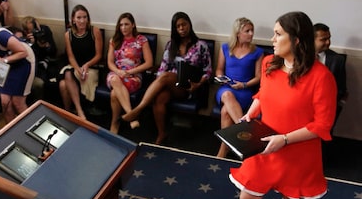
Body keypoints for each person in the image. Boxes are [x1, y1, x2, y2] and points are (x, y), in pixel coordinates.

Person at [207, 11, 337, 199]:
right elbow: (262, 95)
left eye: (278, 34)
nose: (272, 38)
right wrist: (250, 114)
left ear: (298, 40)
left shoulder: (321, 77)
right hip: (264, 142)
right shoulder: (269, 63)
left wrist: (286, 139)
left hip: (297, 149)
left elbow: (322, 125)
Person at [122, 12, 212, 144]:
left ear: (189, 25)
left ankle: (138, 109)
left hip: (189, 87)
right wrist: (158, 87)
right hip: (170, 85)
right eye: (178, 26)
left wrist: (198, 84)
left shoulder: (201, 46)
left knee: (165, 76)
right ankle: (162, 133)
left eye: (184, 25)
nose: (181, 28)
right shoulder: (171, 45)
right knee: (159, 98)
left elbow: (208, 71)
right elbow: (163, 67)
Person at [214, 17, 265, 158]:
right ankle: (245, 132)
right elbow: (219, 69)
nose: (251, 34)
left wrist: (244, 84)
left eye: (252, 31)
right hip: (226, 88)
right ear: (238, 33)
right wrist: (221, 79)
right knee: (227, 95)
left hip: (245, 90)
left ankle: (223, 150)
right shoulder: (225, 48)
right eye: (247, 31)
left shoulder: (258, 51)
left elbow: (259, 77)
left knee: (225, 111)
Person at [105, 12, 153, 134]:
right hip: (116, 73)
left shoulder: (141, 40)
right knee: (115, 80)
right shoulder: (114, 40)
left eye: (126, 24)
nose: (123, 27)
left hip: (134, 75)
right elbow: (110, 62)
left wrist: (130, 72)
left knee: (114, 94)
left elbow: (149, 63)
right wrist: (118, 71)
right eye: (121, 25)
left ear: (133, 25)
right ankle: (131, 115)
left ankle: (114, 123)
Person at [59, 5, 104, 120]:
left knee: (64, 84)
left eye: (85, 17)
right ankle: (75, 111)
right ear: (73, 19)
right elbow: (71, 57)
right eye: (79, 17)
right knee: (65, 79)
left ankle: (72, 112)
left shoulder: (95, 31)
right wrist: (78, 68)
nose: (82, 20)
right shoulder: (68, 35)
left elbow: (99, 55)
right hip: (74, 66)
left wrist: (86, 65)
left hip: (91, 66)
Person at [313, 23, 348, 125]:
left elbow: (341, 87)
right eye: (323, 39)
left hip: (327, 108)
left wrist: (338, 105)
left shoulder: (338, 60)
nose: (328, 42)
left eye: (329, 38)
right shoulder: (300, 58)